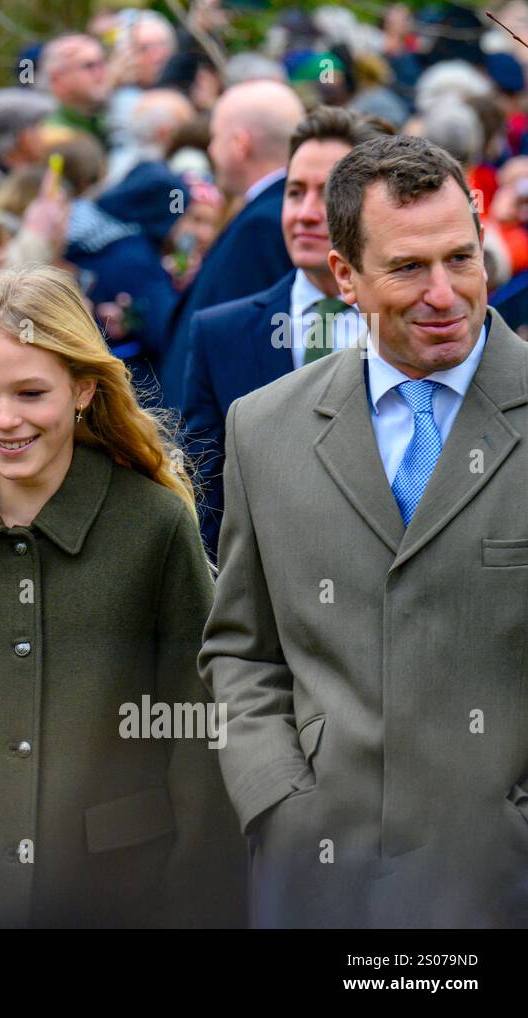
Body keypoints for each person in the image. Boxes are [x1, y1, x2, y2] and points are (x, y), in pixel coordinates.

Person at [0, 264, 245, 928]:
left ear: (84, 387)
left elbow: (199, 746)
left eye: (31, 392)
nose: (5, 420)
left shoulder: (154, 530)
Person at [201, 135, 528, 927]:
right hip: (319, 884)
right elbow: (242, 649)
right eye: (409, 268)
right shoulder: (264, 428)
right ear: (344, 277)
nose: (445, 293)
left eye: (461, 258)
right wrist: (277, 801)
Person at [183, 107, 393, 557]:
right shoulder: (223, 334)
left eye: (330, 193)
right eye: (294, 192)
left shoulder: (414, 323)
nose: (306, 214)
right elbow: (205, 495)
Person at [158, 79, 305, 411]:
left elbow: (245, 353)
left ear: (240, 144)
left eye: (215, 138)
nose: (211, 151)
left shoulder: (264, 223)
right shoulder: (269, 210)